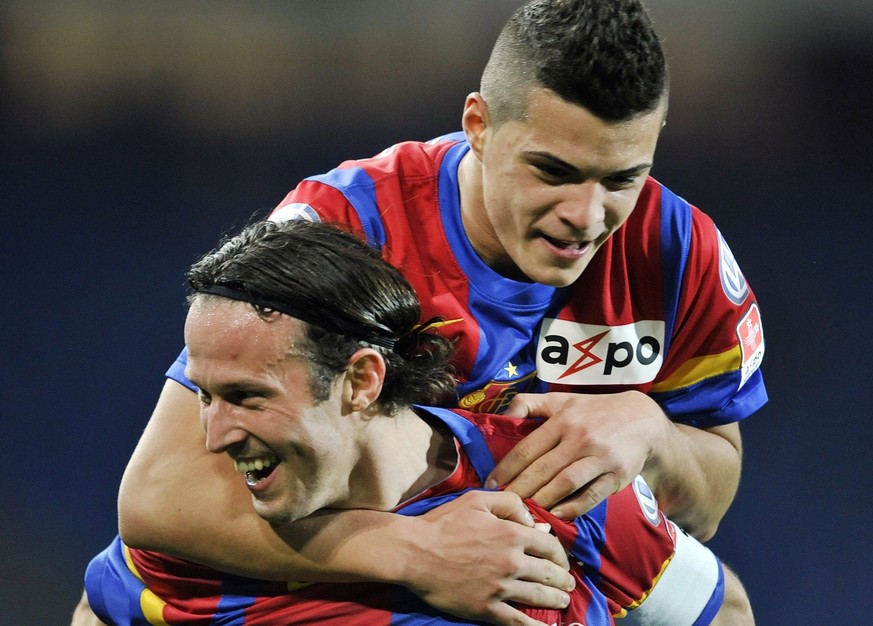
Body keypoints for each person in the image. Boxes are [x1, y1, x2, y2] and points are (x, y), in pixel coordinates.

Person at [114, 0, 767, 623]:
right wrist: (417, 552)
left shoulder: (680, 253)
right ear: (478, 127)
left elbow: (707, 502)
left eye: (621, 180)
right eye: (551, 171)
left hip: (556, 557)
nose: (586, 216)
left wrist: (650, 434)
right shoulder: (345, 226)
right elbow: (162, 495)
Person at [82, 219, 754, 625]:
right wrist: (410, 553)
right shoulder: (201, 547)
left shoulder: (556, 485)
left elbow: (723, 613)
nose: (214, 437)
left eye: (248, 398)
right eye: (203, 395)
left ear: (361, 379)